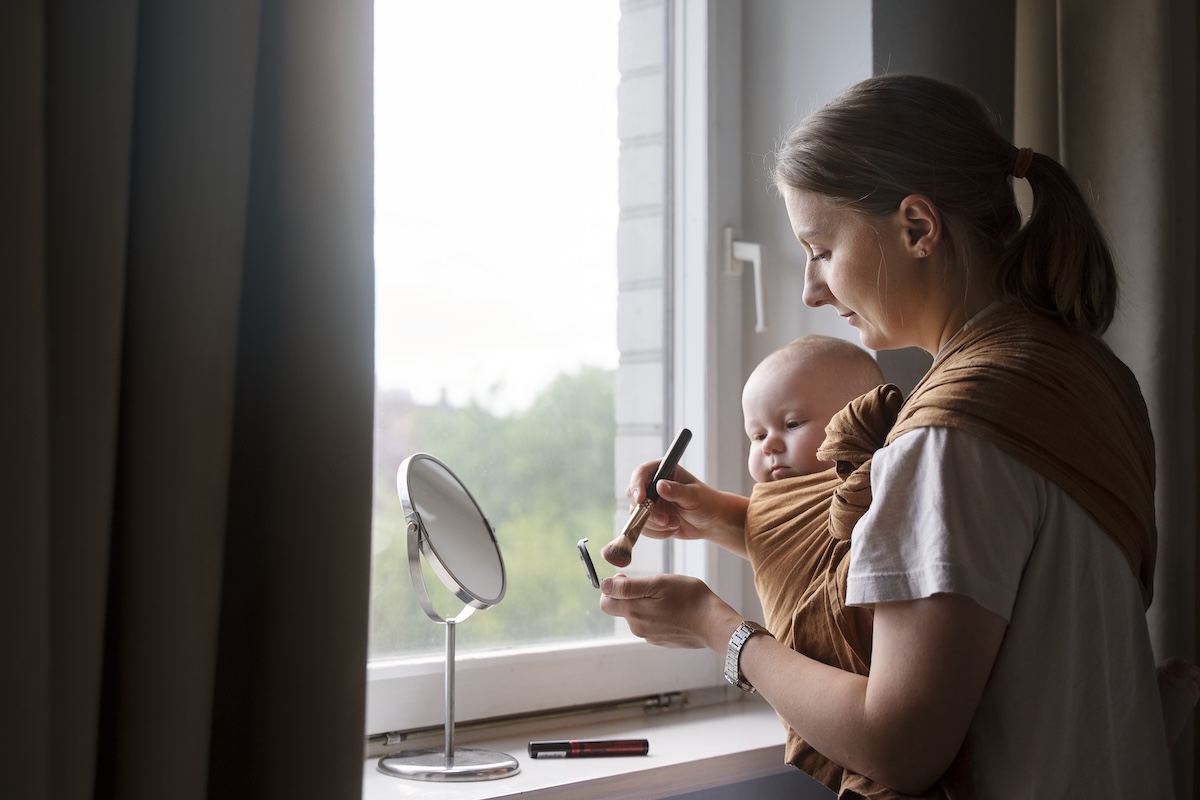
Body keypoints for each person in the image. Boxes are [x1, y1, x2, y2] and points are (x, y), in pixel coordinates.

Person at [599, 73, 1181, 798]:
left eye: (820, 248)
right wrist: (725, 519)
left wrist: (717, 627)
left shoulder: (947, 437)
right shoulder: (1091, 377)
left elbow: (897, 744)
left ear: (917, 228)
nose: (812, 290)